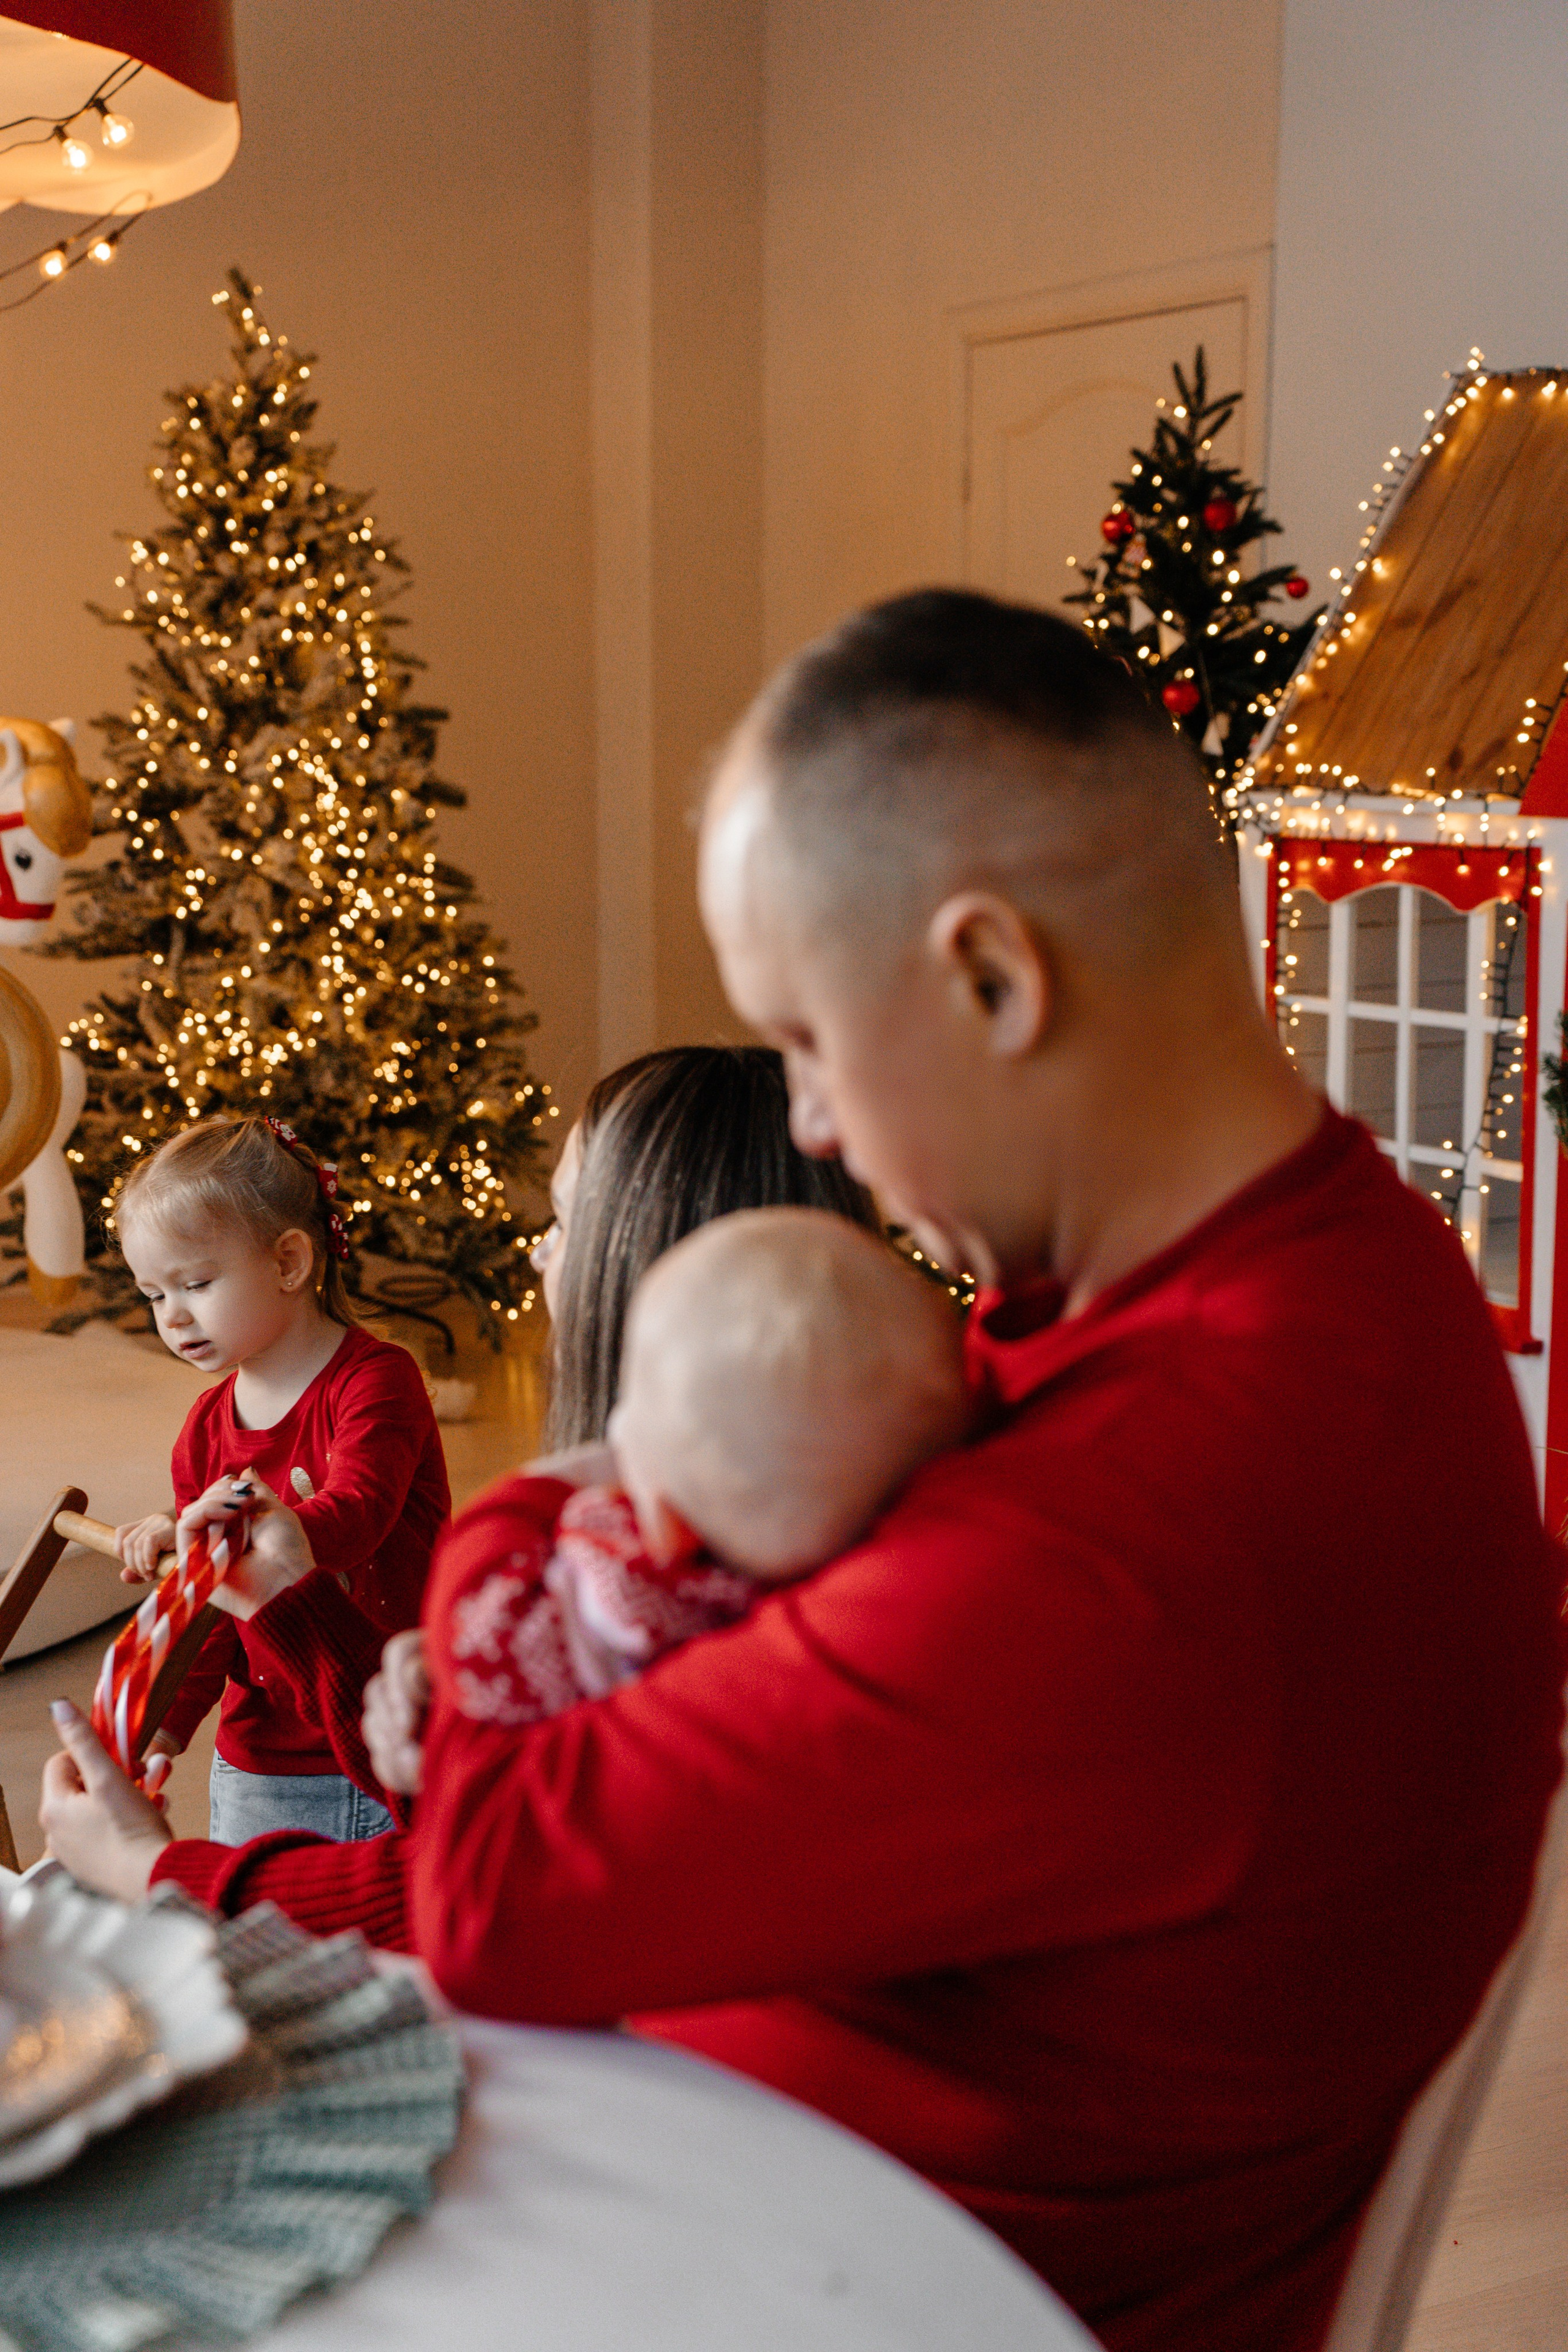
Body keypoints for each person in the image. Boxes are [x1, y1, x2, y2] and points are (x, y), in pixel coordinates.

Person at [43, 592, 1565, 2352]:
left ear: (995, 978)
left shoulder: (1138, 1518)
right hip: (800, 2147)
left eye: (817, 1043)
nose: (819, 1132)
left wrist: (558, 1489)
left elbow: (492, 1888)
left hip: (868, 2282)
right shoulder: (1339, 1262)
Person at [42, 1047, 878, 1929]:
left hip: (372, 1779)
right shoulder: (618, 1522)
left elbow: (482, 1885)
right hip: (289, 1756)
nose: (537, 1252)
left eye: (563, 1220)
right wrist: (163, 1723)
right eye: (152, 1294)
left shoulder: (647, 1570)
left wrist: (155, 1871)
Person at [429, 1209, 970, 1736]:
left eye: (633, 1400)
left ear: (670, 1526)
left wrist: (538, 1490)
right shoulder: (844, 1629)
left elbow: (467, 1615)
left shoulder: (618, 1602)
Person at [109, 1113, 448, 1844]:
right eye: (153, 1294)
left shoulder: (377, 1380)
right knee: (256, 1945)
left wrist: (273, 1528)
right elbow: (211, 1608)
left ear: (290, 1263)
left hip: (385, 1738)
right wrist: (164, 1727)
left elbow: (362, 1514)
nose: (172, 1316)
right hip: (259, 1765)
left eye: (195, 1283)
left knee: (384, 1942)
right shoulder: (205, 1428)